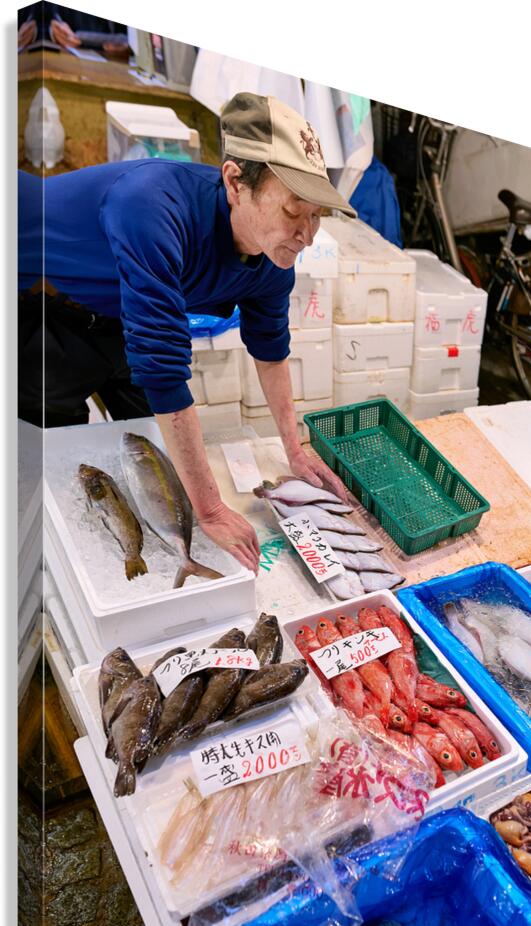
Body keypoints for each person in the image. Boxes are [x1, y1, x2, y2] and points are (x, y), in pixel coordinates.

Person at [18, 92, 355, 574]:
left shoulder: (271, 258)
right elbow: (162, 368)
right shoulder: (151, 204)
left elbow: (270, 350)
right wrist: (211, 509)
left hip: (118, 322)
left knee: (148, 458)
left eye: (317, 215)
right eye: (293, 210)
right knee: (52, 468)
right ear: (235, 182)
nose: (307, 234)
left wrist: (294, 450)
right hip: (45, 306)